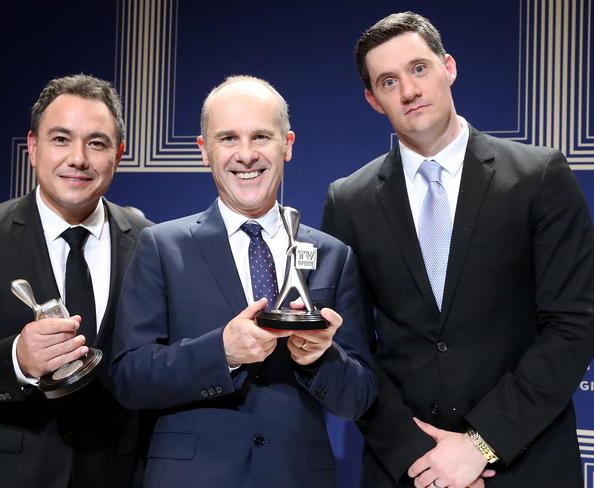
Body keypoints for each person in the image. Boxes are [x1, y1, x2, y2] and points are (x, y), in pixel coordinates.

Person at [321, 11, 594, 488]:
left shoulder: (539, 177)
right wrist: (419, 457)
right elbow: (350, 348)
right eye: (388, 81)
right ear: (372, 99)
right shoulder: (349, 200)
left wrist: (479, 444)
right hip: (405, 471)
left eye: (419, 69)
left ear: (448, 67)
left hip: (526, 463)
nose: (409, 90)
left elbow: (573, 326)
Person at [109, 75, 376, 488]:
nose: (246, 155)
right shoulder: (162, 246)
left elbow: (359, 396)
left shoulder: (332, 255)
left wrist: (321, 358)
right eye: (229, 139)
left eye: (261, 137)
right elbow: (129, 378)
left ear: (287, 144)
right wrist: (223, 352)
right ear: (204, 151)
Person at [0, 74, 152, 488]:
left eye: (97, 143)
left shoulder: (148, 239)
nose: (78, 158)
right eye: (61, 139)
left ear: (119, 154)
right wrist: (18, 360)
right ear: (34, 149)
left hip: (118, 475)